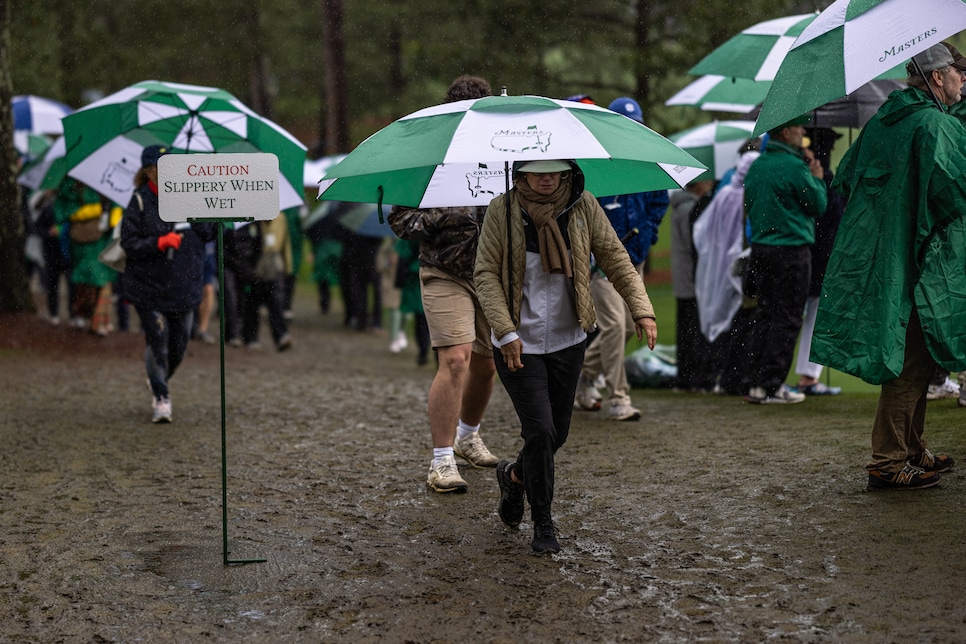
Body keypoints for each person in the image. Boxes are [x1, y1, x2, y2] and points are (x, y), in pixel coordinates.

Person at [475, 159, 657, 554]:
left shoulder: (584, 205)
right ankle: (544, 523)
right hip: (516, 343)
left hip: (568, 339)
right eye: (537, 171)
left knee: (556, 434)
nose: (547, 177)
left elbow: (615, 258)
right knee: (539, 431)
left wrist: (641, 309)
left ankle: (515, 477)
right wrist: (505, 331)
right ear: (519, 174)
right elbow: (486, 273)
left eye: (555, 170)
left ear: (568, 172)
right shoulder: (500, 210)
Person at [811, 43, 966, 489]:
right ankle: (889, 458)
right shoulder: (933, 124)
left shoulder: (883, 120)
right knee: (911, 359)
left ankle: (912, 449)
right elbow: (956, 188)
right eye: (958, 72)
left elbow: (847, 177)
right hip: (917, 260)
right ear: (937, 76)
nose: (962, 80)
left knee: (914, 354)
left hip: (881, 254)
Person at [388, 74, 500, 494]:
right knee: (456, 360)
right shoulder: (430, 160)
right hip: (443, 272)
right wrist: (441, 216)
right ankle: (441, 460)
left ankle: (468, 435)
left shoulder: (503, 158)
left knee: (488, 364)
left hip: (492, 274)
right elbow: (401, 220)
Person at [573, 97, 669, 420]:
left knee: (628, 328)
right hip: (603, 263)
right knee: (614, 325)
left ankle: (579, 372)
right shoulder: (595, 166)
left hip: (635, 259)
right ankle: (619, 397)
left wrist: (648, 232)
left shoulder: (647, 162)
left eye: (637, 124)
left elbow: (660, 201)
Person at [120, 144, 216, 423]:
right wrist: (159, 242)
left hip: (185, 285)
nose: (169, 172)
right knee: (158, 341)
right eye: (162, 167)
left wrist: (203, 210)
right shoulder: (138, 201)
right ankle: (162, 396)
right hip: (148, 287)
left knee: (179, 346)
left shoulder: (190, 197)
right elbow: (129, 243)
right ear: (149, 171)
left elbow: (208, 233)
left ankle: (157, 378)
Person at [742, 115, 827, 404]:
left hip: (761, 250)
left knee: (765, 313)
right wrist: (815, 177)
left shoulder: (757, 166)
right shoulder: (793, 167)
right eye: (801, 128)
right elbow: (818, 204)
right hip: (791, 251)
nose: (804, 133)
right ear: (787, 132)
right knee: (787, 317)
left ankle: (755, 382)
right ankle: (772, 385)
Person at [692, 151, 760, 395]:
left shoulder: (723, 194)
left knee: (718, 313)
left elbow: (703, 231)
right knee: (738, 318)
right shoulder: (744, 195)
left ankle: (713, 374)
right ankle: (733, 375)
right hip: (737, 265)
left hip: (716, 263)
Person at [793, 132, 844, 396]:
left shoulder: (821, 180)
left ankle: (806, 376)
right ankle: (807, 376)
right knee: (810, 315)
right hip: (817, 256)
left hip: (811, 254)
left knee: (805, 314)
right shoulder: (824, 181)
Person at [668, 176, 715, 393]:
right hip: (690, 279)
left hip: (683, 278)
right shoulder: (689, 207)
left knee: (686, 329)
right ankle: (692, 376)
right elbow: (694, 244)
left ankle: (686, 376)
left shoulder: (680, 205)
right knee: (692, 329)